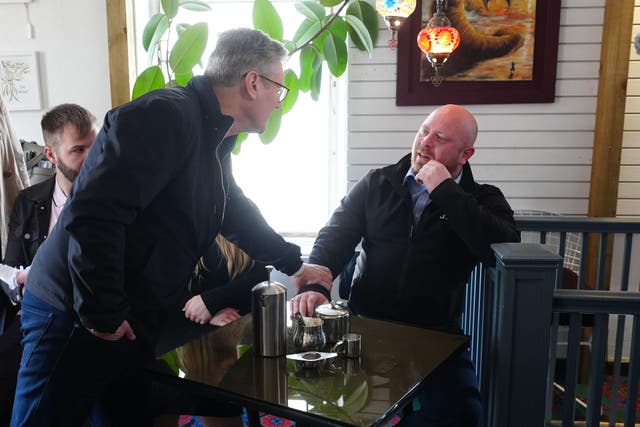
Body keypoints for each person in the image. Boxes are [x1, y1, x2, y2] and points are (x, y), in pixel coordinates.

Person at [11, 28, 332, 427]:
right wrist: (104, 314)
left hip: (123, 317)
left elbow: (234, 212)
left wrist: (295, 266)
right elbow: (93, 216)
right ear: (252, 83)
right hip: (72, 313)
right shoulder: (165, 116)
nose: (278, 104)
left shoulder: (212, 137)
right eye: (278, 91)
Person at [290, 104, 520, 426]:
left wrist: (445, 191)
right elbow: (335, 236)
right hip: (363, 325)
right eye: (424, 130)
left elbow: (502, 241)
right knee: (318, 408)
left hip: (435, 334)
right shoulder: (378, 182)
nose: (425, 142)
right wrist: (317, 284)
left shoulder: (481, 198)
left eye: (439, 137)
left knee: (463, 414)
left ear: (465, 154)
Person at [0, 103, 97, 427]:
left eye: (96, 147)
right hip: (37, 311)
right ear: (51, 155)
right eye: (79, 150)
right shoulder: (29, 201)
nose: (92, 157)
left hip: (95, 312)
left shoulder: (112, 197)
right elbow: (11, 266)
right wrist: (28, 279)